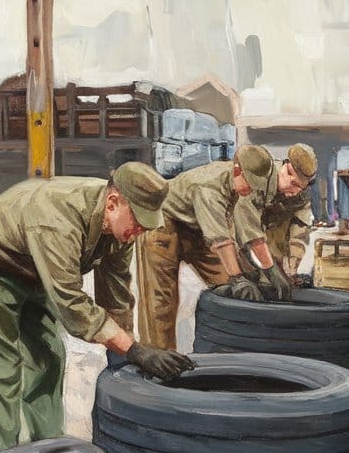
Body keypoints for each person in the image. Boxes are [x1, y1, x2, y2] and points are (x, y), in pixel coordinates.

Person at [0, 161, 194, 453]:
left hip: (34, 269)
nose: (140, 231)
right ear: (113, 202)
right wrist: (136, 350)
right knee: (1, 366)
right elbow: (71, 304)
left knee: (48, 356)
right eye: (138, 221)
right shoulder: (59, 219)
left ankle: (46, 450)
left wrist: (124, 360)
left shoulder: (122, 229)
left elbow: (117, 295)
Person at [136, 144, 276, 349]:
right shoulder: (210, 187)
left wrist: (262, 270)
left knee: (228, 285)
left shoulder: (241, 185)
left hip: (196, 226)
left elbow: (243, 229)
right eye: (250, 183)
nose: (252, 189)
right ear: (237, 170)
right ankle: (159, 362)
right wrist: (238, 278)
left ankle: (233, 350)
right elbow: (220, 239)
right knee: (160, 304)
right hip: (163, 222)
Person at [222, 142, 319, 301]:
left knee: (273, 286)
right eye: (293, 184)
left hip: (270, 245)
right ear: (286, 168)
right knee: (241, 288)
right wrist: (271, 271)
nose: (294, 192)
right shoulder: (257, 176)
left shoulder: (300, 195)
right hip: (239, 235)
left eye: (301, 188)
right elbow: (248, 231)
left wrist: (291, 269)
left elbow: (299, 231)